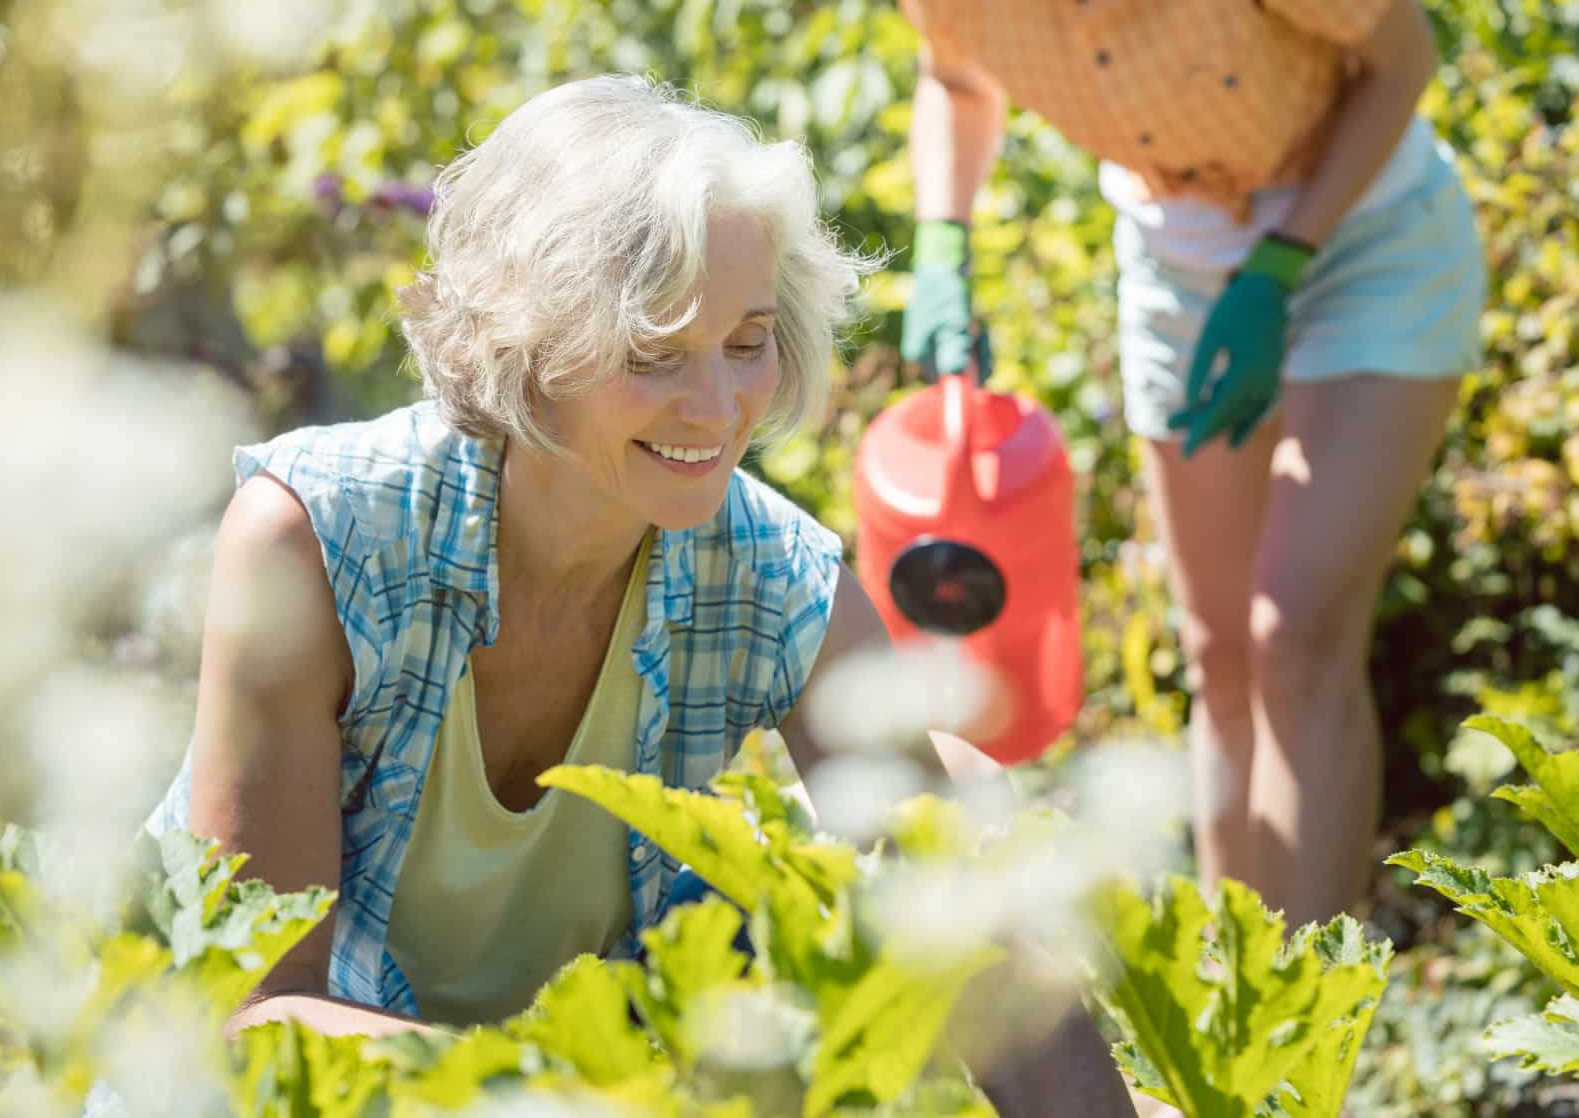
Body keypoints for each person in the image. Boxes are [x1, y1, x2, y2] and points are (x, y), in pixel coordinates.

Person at [146, 75, 1139, 1114]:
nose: (715, 407)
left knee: (951, 798)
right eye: (654, 351)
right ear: (533, 348)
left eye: (746, 341)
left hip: (593, 1091)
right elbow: (257, 1007)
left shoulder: (773, 578)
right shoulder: (320, 539)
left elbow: (974, 931)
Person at [797, 0, 1487, 927]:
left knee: (1294, 630)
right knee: (1216, 650)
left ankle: (1297, 1054)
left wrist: (1279, 265)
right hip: (1177, 260)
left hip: (1363, 239)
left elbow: (1401, 60)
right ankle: (1232, 1007)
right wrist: (942, 244)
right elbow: (954, 84)